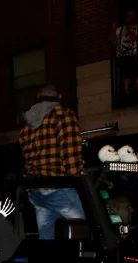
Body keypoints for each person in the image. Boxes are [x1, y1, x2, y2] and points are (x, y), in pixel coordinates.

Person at [18, 84, 86, 241]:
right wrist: (79, 178)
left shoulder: (27, 126)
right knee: (85, 230)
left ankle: (49, 258)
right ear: (59, 96)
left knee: (47, 239)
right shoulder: (64, 116)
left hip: (36, 190)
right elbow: (70, 154)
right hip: (59, 187)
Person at [114, 9, 138, 96]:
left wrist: (130, 31)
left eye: (131, 16)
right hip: (124, 57)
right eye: (127, 16)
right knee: (126, 77)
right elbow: (114, 40)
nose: (129, 18)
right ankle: (127, 93)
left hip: (136, 56)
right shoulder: (120, 30)